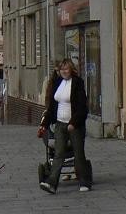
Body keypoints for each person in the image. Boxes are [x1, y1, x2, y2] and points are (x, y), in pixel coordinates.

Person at [39, 58, 91, 194]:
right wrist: (44, 124)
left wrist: (73, 123)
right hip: (60, 124)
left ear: (71, 70)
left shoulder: (78, 83)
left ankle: (84, 182)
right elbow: (52, 107)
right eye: (61, 69)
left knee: (78, 154)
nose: (64, 71)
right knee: (58, 154)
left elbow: (82, 107)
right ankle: (52, 183)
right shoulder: (57, 83)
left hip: (74, 125)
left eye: (66, 69)